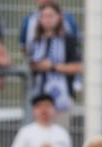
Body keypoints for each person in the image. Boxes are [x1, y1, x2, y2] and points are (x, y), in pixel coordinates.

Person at [27, 1, 82, 129]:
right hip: (38, 96)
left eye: (50, 15)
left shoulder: (69, 40)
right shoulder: (36, 41)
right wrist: (35, 66)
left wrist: (52, 67)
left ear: (58, 17)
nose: (47, 20)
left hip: (61, 99)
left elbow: (78, 67)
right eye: (43, 16)